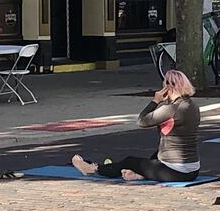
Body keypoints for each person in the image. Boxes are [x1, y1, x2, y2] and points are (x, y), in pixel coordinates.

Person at [72, 70, 200, 182]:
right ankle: (139, 175)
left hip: (177, 172)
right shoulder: (193, 106)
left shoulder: (171, 108)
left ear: (168, 87)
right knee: (157, 154)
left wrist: (155, 101)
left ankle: (93, 169)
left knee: (130, 161)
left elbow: (142, 121)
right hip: (193, 170)